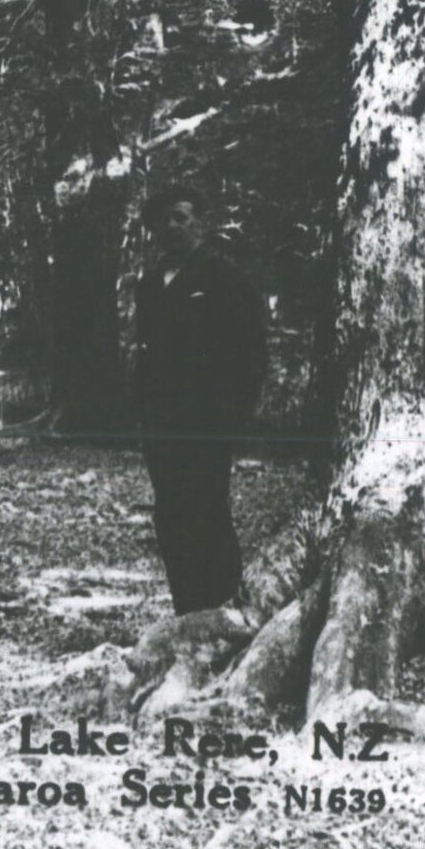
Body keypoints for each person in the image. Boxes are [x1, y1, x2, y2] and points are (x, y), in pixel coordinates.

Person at [131, 181, 267, 614]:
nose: (172, 227)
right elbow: (145, 355)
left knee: (208, 511)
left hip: (208, 422)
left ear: (199, 224)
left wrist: (233, 417)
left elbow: (251, 355)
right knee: (171, 516)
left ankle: (224, 610)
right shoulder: (150, 286)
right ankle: (186, 611)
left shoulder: (223, 280)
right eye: (163, 221)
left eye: (181, 218)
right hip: (162, 424)